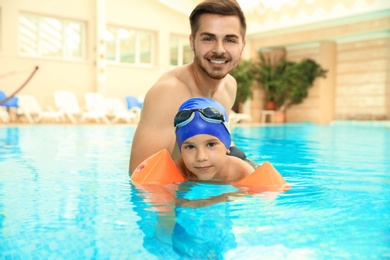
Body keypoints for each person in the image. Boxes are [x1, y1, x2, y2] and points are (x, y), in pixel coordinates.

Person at [129, 0, 247, 174]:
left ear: (242, 45)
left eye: (230, 40)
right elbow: (141, 177)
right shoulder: (169, 93)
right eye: (208, 38)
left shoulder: (229, 85)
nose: (219, 50)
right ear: (192, 42)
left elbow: (218, 140)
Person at [173, 97, 256, 183]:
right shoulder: (177, 169)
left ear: (226, 144)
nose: (201, 157)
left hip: (235, 156)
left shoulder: (243, 173)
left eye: (211, 144)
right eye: (190, 147)